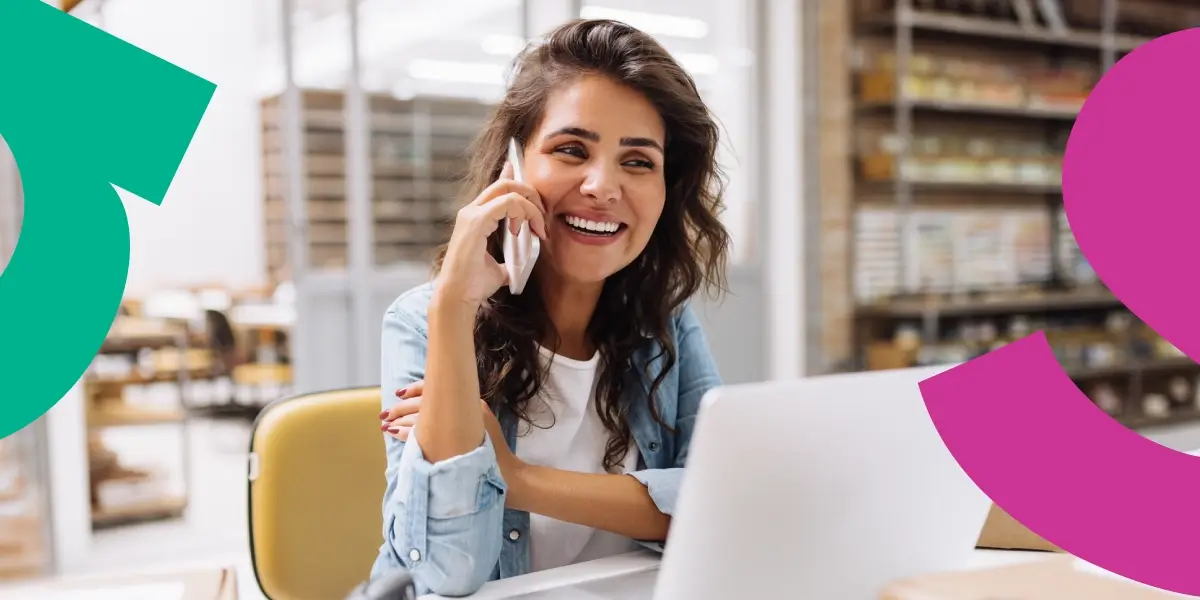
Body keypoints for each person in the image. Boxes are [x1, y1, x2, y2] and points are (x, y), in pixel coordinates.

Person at [369, 18, 731, 597]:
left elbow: (715, 506)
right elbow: (445, 570)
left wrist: (515, 478)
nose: (602, 186)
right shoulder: (423, 320)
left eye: (637, 161)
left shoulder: (662, 324)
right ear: (512, 169)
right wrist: (452, 308)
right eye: (571, 149)